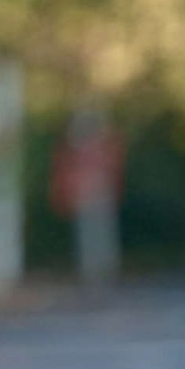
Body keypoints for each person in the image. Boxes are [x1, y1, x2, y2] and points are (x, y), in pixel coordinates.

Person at [51, 108, 125, 286]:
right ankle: (92, 270)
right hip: (86, 196)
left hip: (98, 195)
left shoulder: (102, 148)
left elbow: (112, 169)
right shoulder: (76, 151)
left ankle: (103, 269)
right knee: (88, 234)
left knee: (101, 234)